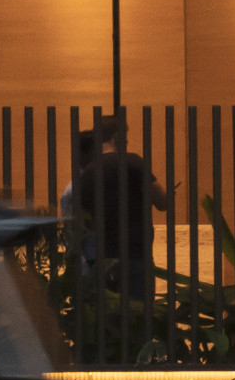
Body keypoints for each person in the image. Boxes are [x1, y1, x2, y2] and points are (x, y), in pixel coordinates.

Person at [66, 111, 171, 308]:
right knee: (139, 321)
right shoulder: (132, 162)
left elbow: (84, 223)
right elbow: (162, 202)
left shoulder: (86, 175)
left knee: (111, 324)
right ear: (118, 137)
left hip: (103, 260)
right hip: (135, 255)